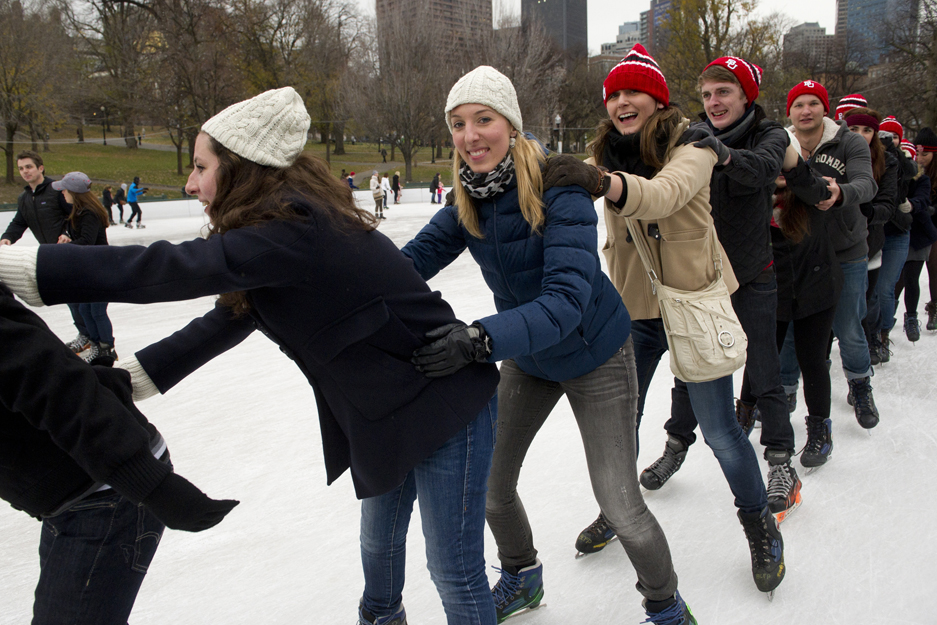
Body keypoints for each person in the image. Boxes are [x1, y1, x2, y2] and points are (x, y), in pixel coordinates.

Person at [0, 86, 500, 625]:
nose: (191, 183)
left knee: (453, 568)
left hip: (448, 404)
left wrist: (30, 270)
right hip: (381, 412)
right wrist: (135, 375)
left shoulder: (294, 228)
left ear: (239, 169)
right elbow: (231, 317)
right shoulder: (273, 234)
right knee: (379, 556)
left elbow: (170, 268)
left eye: (200, 167)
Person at [404, 64, 696, 624]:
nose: (471, 136)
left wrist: (478, 339)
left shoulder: (557, 186)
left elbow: (564, 300)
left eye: (484, 119)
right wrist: (342, 273)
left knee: (621, 505)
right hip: (530, 355)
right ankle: (522, 575)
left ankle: (666, 606)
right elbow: (409, 263)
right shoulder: (468, 197)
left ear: (511, 126)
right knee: (490, 488)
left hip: (596, 355)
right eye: (459, 124)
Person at [542, 44, 784, 596]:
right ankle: (618, 507)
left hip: (692, 306)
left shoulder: (693, 144)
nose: (623, 102)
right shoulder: (602, 150)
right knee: (619, 424)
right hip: (632, 311)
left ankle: (761, 527)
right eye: (614, 95)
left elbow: (663, 195)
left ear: (657, 99)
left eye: (634, 92)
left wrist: (602, 183)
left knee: (721, 431)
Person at [0, 279, 238, 624]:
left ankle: (100, 342)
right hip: (68, 489)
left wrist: (149, 482)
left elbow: (49, 379)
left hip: (107, 487)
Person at [637, 56, 799, 521]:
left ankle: (781, 461)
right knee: (691, 366)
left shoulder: (768, 135)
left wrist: (722, 153)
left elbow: (764, 168)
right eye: (707, 94)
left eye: (723, 92)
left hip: (750, 274)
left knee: (764, 367)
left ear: (745, 96)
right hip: (703, 281)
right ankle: (675, 445)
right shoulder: (691, 136)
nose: (713, 102)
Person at [782, 80, 879, 443]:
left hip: (845, 250)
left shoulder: (849, 141)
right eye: (798, 105)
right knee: (791, 327)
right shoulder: (781, 142)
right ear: (789, 111)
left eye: (813, 104)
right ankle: (787, 388)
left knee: (848, 325)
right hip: (798, 252)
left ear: (825, 109)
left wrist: (841, 193)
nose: (805, 111)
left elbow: (866, 184)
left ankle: (859, 383)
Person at [773, 132, 843, 471]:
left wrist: (795, 166)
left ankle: (819, 429)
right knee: (762, 356)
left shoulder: (815, 188)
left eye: (787, 158)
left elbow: (823, 191)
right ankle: (746, 413)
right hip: (774, 288)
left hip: (817, 287)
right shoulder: (754, 193)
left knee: (812, 358)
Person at [54, 172, 118, 363]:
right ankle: (96, 344)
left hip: (100, 268)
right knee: (84, 310)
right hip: (89, 268)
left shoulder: (89, 212)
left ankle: (106, 348)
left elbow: (87, 241)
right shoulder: (79, 211)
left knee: (96, 311)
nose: (62, 192)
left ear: (74, 191)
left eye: (64, 189)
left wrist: (65, 246)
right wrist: (67, 236)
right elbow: (78, 234)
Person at [871, 118, 918, 361]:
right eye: (884, 135)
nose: (888, 140)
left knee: (886, 289)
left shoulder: (902, 159)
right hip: (875, 231)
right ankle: (870, 333)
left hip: (898, 233)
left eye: (894, 136)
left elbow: (911, 172)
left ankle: (882, 334)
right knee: (872, 292)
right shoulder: (869, 156)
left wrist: (895, 151)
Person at [896, 129, 937, 339]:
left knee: (932, 267)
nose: (920, 159)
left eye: (925, 154)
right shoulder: (909, 172)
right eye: (917, 154)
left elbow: (924, 199)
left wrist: (930, 208)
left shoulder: (926, 178)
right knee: (901, 278)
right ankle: (885, 318)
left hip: (929, 230)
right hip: (911, 227)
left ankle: (933, 307)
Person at [1, 150, 70, 247]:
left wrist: (67, 233)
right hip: (47, 251)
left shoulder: (58, 190)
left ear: (41, 168)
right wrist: (7, 237)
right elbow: (19, 223)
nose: (25, 171)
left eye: (29, 167)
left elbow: (76, 215)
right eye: (21, 168)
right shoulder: (24, 198)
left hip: (70, 248)